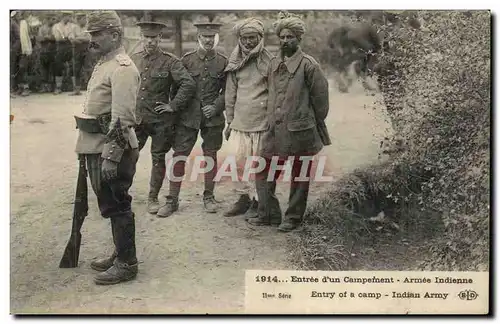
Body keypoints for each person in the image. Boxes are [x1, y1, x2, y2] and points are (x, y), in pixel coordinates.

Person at [73, 10, 141, 285]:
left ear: (114, 35)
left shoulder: (123, 68)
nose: (92, 40)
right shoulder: (105, 63)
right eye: (91, 34)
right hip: (96, 146)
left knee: (117, 204)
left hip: (112, 149)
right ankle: (120, 252)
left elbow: (122, 119)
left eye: (97, 34)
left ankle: (127, 263)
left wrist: (111, 158)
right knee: (110, 203)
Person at [248, 12, 331, 232]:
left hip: (300, 131)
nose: (286, 41)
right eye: (282, 37)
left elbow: (321, 103)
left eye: (290, 37)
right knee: (263, 168)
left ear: (299, 39)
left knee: (299, 174)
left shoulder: (309, 66)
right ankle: (267, 213)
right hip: (274, 130)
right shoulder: (274, 63)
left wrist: (304, 120)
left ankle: (293, 218)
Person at [156, 20, 228, 217]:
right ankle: (172, 200)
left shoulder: (223, 62)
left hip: (212, 118)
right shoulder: (187, 60)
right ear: (198, 38)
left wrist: (215, 107)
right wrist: (175, 108)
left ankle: (209, 197)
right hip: (188, 117)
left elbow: (228, 90)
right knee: (179, 155)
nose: (208, 40)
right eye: (205, 37)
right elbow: (176, 88)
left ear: (216, 39)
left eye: (211, 37)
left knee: (210, 155)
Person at [130, 21, 196, 215]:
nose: (150, 41)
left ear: (160, 38)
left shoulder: (170, 61)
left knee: (158, 159)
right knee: (129, 156)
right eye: (146, 37)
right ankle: (122, 195)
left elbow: (188, 84)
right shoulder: (133, 59)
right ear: (141, 37)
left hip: (160, 122)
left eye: (154, 38)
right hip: (138, 119)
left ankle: (152, 197)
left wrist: (173, 105)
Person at [223, 17, 274, 219]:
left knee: (258, 164)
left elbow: (274, 94)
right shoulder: (235, 61)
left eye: (252, 38)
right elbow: (230, 94)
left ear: (260, 38)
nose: (248, 42)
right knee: (237, 162)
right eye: (244, 38)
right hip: (240, 123)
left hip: (261, 124)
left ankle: (258, 201)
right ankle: (243, 199)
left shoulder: (270, 61)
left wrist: (271, 122)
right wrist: (229, 120)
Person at [68, 12, 91, 95]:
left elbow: (88, 39)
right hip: (77, 50)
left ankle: (91, 89)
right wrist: (82, 39)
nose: (85, 20)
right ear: (78, 20)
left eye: (85, 18)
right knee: (76, 69)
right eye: (83, 19)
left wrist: (78, 38)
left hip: (87, 49)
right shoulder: (73, 28)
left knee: (88, 68)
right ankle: (77, 89)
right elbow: (71, 39)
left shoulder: (88, 27)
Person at [52, 11, 75, 94]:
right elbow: (57, 38)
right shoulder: (56, 26)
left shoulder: (72, 26)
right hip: (60, 47)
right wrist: (66, 37)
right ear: (63, 16)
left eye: (69, 16)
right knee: (58, 66)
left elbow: (72, 37)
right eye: (67, 16)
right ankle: (58, 87)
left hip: (70, 47)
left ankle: (75, 87)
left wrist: (66, 37)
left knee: (73, 65)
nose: (68, 18)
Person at [36, 13, 57, 93]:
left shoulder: (55, 28)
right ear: (48, 19)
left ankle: (52, 87)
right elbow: (40, 38)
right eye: (52, 19)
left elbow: (56, 37)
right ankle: (44, 87)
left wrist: (48, 37)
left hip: (53, 51)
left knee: (53, 69)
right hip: (44, 51)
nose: (53, 21)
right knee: (44, 69)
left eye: (54, 19)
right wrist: (49, 37)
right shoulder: (42, 28)